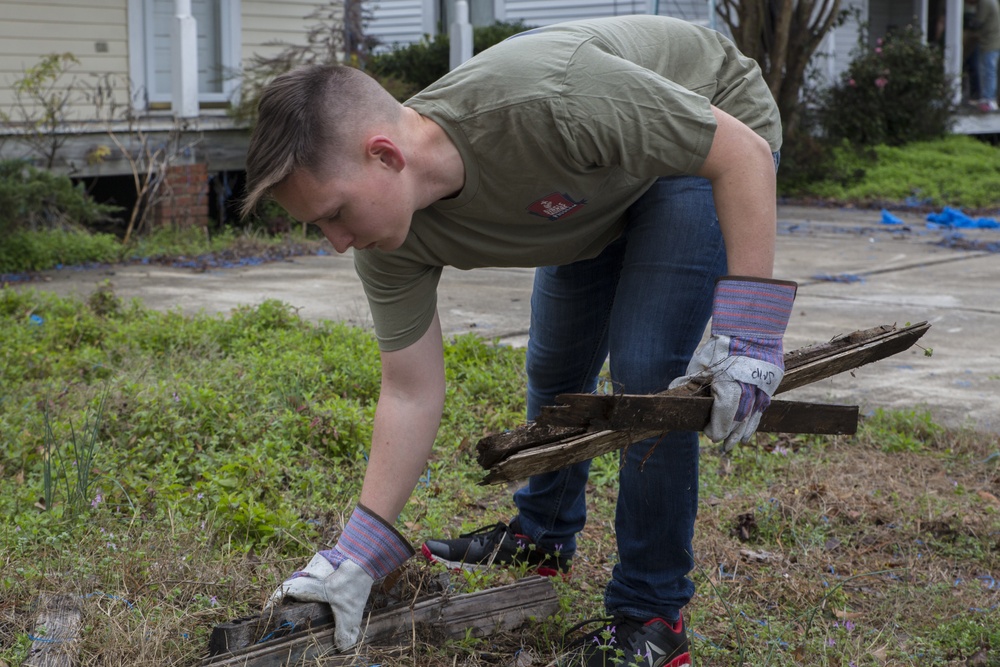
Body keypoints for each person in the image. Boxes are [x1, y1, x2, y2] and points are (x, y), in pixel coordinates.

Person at [241, 15, 796, 666]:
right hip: (594, 184)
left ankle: (652, 614)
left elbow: (742, 154)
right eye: (318, 226)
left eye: (334, 213)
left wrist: (752, 335)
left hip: (707, 132)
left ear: (385, 155)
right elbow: (410, 391)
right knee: (557, 362)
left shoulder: (546, 100)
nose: (335, 240)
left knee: (647, 368)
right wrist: (354, 557)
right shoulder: (388, 246)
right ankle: (543, 534)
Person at [970, 0, 1000, 112]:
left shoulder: (985, 2)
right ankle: (989, 98)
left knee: (989, 71)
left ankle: (989, 99)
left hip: (990, 42)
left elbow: (978, 22)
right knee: (990, 71)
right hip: (994, 41)